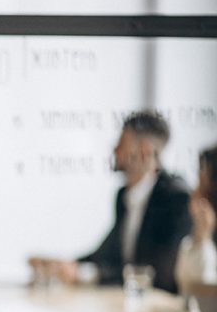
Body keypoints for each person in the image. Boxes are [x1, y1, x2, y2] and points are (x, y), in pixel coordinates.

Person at [33, 111, 192, 294]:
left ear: (144, 151)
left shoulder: (176, 201)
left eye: (121, 143)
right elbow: (107, 254)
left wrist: (86, 274)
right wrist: (65, 265)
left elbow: (153, 273)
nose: (115, 150)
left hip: (162, 311)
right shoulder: (123, 196)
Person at [175, 144, 217, 291]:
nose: (195, 191)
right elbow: (189, 292)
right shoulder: (194, 238)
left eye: (203, 183)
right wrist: (201, 238)